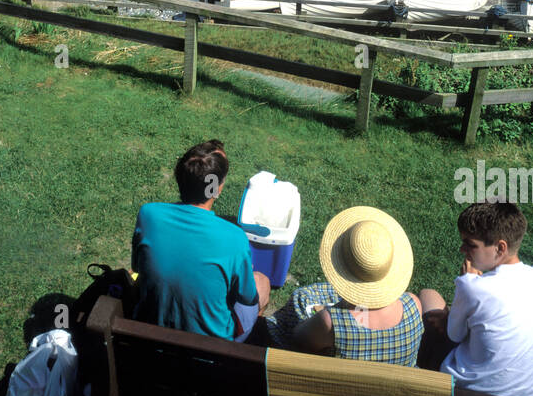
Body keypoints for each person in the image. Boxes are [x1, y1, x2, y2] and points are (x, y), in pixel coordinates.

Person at [419, 202, 533, 396]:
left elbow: (453, 336)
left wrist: (465, 285)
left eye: (470, 244)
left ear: (500, 248)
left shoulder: (472, 287)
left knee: (427, 295)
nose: (462, 249)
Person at [131, 139, 269, 341]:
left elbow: (136, 266)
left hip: (151, 332)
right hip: (212, 346)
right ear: (216, 189)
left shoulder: (148, 214)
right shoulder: (235, 237)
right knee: (261, 282)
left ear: (179, 178)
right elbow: (247, 297)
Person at [265, 207, 424, 366]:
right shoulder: (414, 304)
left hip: (332, 387)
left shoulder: (330, 322)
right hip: (392, 388)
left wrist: (334, 310)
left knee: (300, 299)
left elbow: (298, 337)